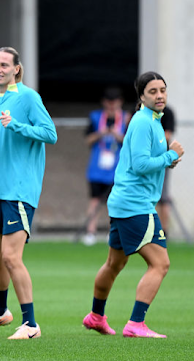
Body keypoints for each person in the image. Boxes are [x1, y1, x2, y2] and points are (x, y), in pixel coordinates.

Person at [82, 72, 182, 338]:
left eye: (163, 89)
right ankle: (136, 323)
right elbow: (139, 165)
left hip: (125, 202)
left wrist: (166, 160)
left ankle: (95, 316)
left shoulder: (152, 121)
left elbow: (143, 161)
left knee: (114, 264)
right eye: (153, 91)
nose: (160, 95)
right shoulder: (142, 122)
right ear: (141, 96)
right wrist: (171, 155)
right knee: (160, 264)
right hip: (136, 204)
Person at [0, 47, 57, 339]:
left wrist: (19, 126)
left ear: (16, 70)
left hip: (19, 190)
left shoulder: (28, 97)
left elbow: (51, 133)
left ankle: (31, 324)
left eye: (4, 65)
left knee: (11, 256)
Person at [82, 87, 128, 246]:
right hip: (97, 167)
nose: (111, 106)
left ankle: (113, 232)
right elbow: (87, 140)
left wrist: (117, 135)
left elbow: (130, 143)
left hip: (117, 168)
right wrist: (101, 133)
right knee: (95, 200)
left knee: (114, 202)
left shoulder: (127, 118)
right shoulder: (95, 117)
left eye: (114, 103)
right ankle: (91, 232)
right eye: (108, 103)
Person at [155, 106, 175, 236]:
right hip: (145, 160)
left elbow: (167, 136)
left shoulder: (167, 113)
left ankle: (163, 231)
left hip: (161, 159)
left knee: (163, 196)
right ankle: (152, 229)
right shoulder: (140, 114)